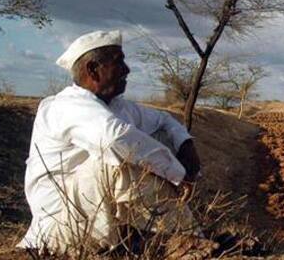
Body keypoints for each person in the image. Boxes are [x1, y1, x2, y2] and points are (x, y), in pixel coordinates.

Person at [17, 30, 203, 253]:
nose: (127, 69)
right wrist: (179, 175)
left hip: (94, 214)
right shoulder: (65, 106)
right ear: (93, 70)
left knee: (158, 138)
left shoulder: (116, 106)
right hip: (63, 225)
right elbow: (115, 138)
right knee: (117, 160)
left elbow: (163, 119)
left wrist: (185, 144)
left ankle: (174, 238)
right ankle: (185, 239)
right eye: (118, 62)